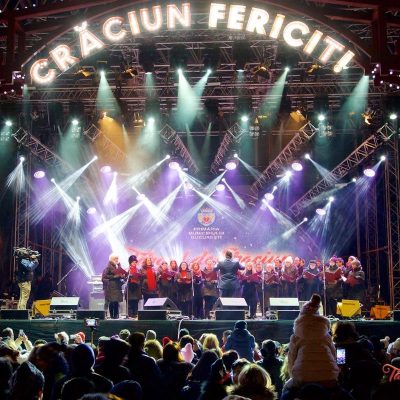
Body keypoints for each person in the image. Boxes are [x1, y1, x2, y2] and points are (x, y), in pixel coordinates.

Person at [287, 294, 339, 390]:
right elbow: (334, 354)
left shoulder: (296, 336)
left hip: (303, 377)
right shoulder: (326, 335)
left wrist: (293, 376)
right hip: (329, 376)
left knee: (286, 391)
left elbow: (291, 358)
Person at [103, 253, 127, 319]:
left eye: (117, 258)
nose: (117, 260)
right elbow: (105, 276)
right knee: (112, 301)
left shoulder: (118, 266)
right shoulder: (108, 267)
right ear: (112, 259)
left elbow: (121, 274)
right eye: (115, 258)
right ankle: (112, 315)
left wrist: (122, 276)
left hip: (117, 285)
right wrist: (114, 276)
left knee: (116, 301)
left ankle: (116, 315)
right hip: (112, 286)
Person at [126, 255, 142, 319]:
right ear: (130, 263)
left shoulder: (138, 270)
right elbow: (125, 279)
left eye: (135, 262)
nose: (134, 263)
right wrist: (129, 276)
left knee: (135, 303)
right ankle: (130, 315)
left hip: (136, 288)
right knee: (130, 303)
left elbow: (141, 278)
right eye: (133, 262)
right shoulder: (128, 270)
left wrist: (139, 277)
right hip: (130, 289)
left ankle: (135, 314)